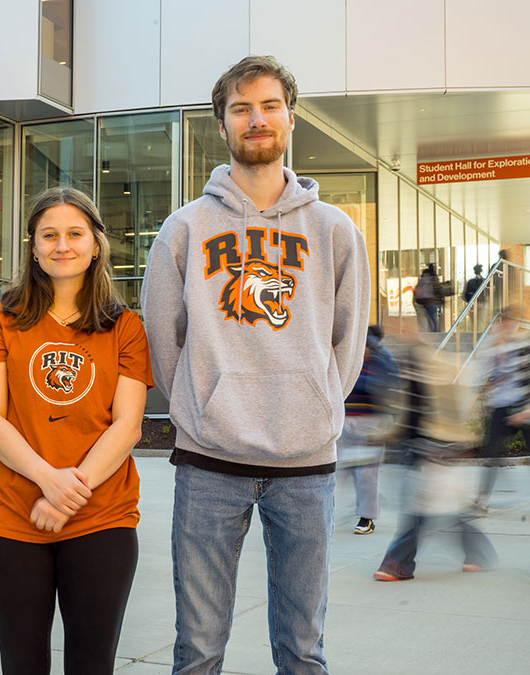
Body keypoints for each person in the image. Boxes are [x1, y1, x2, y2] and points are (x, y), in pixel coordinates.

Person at [141, 55, 369, 674]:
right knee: (198, 651)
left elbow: (348, 343)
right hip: (209, 463)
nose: (257, 119)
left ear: (291, 119)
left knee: (303, 651)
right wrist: (202, 400)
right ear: (222, 125)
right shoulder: (184, 229)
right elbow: (164, 340)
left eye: (269, 106)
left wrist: (317, 401)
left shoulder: (334, 230)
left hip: (305, 465)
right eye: (241, 108)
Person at [0, 187, 152, 674]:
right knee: (22, 664)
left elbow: (128, 426)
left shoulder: (125, 327)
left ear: (96, 244)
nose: (62, 245)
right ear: (32, 247)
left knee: (91, 665)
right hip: (13, 516)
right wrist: (47, 480)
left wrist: (64, 495)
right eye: (48, 235)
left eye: (75, 234)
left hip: (102, 518)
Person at [374, 326, 496, 581]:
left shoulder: (435, 369)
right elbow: (407, 414)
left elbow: (449, 411)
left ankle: (397, 563)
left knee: (421, 508)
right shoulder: (412, 371)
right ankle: (477, 553)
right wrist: (384, 436)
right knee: (438, 508)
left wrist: (457, 446)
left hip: (439, 448)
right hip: (423, 448)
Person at [473, 309, 530, 515]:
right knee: (492, 451)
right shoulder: (494, 348)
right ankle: (482, 499)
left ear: (516, 324)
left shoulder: (528, 345)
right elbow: (484, 376)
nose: (505, 326)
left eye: (509, 322)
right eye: (502, 322)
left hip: (524, 406)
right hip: (501, 407)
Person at [338, 327, 398, 535]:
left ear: (368, 348)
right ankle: (327, 514)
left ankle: (367, 518)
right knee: (338, 471)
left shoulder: (380, 364)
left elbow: (387, 390)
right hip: (345, 421)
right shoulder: (346, 363)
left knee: (366, 474)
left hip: (371, 423)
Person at [413, 263, 440, 332]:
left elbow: (416, 290)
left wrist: (414, 300)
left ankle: (423, 334)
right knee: (434, 320)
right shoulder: (434, 279)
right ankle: (436, 334)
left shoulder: (422, 280)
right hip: (431, 302)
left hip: (420, 302)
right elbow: (438, 291)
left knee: (422, 321)